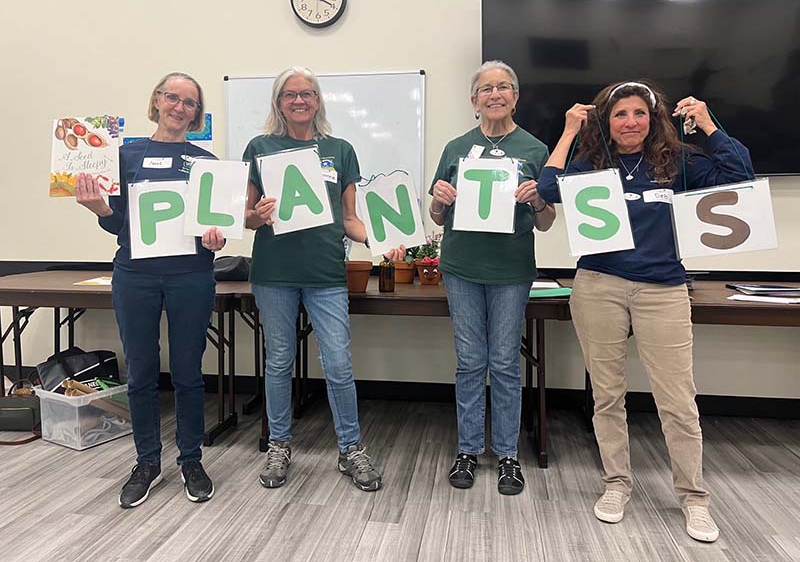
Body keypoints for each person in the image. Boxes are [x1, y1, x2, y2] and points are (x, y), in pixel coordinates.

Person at [537, 80, 754, 542]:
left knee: (677, 399)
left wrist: (709, 124)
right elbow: (547, 187)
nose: (630, 122)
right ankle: (616, 484)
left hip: (664, 290)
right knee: (607, 395)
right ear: (606, 122)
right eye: (619, 115)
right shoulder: (593, 164)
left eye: (639, 113)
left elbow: (738, 175)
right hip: (599, 286)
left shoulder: (677, 162)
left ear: (653, 118)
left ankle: (694, 497)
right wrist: (569, 131)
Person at [243, 66, 403, 492]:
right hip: (274, 274)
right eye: (291, 94)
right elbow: (245, 216)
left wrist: (382, 242)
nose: (300, 100)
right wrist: (256, 217)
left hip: (326, 273)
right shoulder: (259, 147)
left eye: (308, 93)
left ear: (318, 101)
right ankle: (279, 445)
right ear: (279, 102)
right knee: (279, 361)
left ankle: (350, 449)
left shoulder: (340, 149)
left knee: (338, 362)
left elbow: (349, 219)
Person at [75, 72, 226, 508]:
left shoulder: (207, 162)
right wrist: (102, 209)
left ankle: (191, 460)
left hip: (191, 276)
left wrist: (215, 239)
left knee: (188, 373)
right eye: (172, 98)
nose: (179, 108)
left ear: (197, 113)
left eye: (190, 103)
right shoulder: (122, 155)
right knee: (140, 373)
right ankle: (146, 461)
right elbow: (119, 224)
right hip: (135, 277)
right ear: (157, 101)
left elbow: (212, 228)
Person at [429, 60, 556, 495]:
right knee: (469, 361)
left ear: (516, 97)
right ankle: (467, 449)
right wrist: (440, 201)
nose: (495, 94)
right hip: (462, 267)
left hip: (511, 271)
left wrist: (538, 200)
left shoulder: (536, 149)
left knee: (503, 362)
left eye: (504, 87)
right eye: (486, 89)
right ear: (474, 100)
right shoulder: (456, 148)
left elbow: (546, 223)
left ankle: (507, 454)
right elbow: (436, 213)